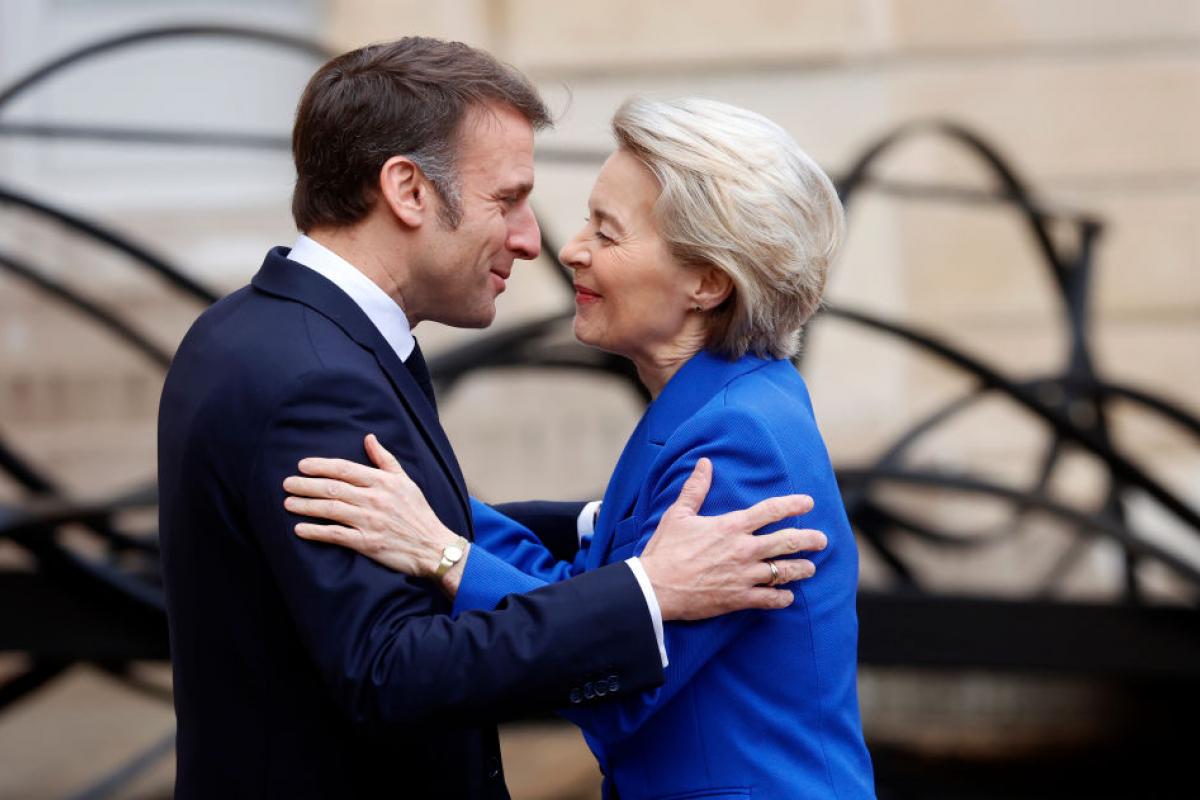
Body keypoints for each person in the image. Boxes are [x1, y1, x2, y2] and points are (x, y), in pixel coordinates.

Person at [157, 39, 826, 800]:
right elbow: (392, 669)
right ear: (409, 191)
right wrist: (642, 582)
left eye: (605, 232)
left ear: (708, 281)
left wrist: (473, 547)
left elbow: (421, 542)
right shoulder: (314, 377)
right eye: (506, 200)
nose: (541, 242)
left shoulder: (252, 332)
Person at [286, 97, 876, 798]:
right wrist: (436, 515)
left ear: (708, 281)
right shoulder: (722, 405)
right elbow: (590, 593)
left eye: (608, 231)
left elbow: (613, 682)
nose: (570, 249)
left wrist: (441, 552)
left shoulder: (739, 442)